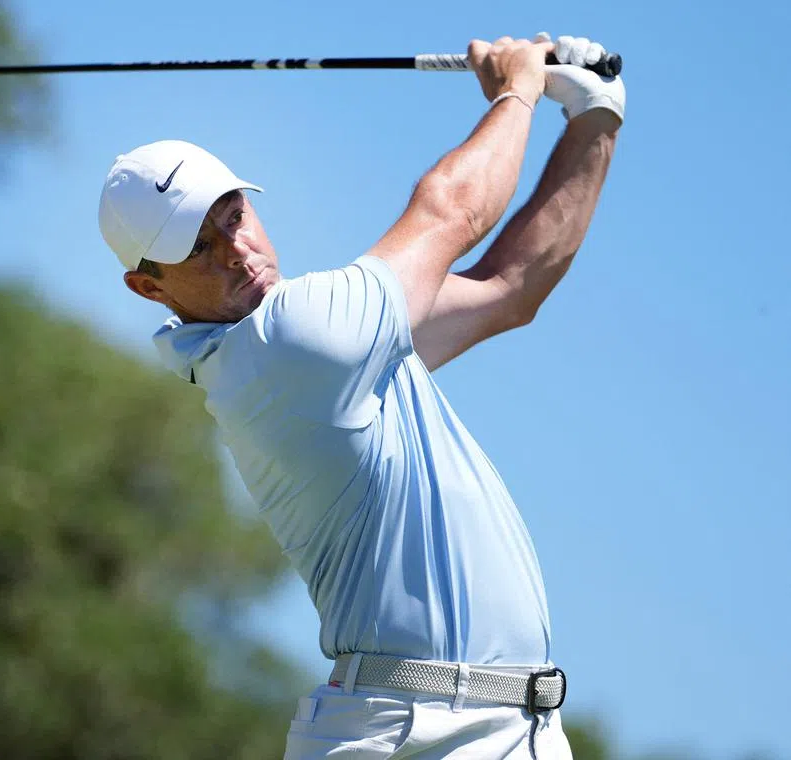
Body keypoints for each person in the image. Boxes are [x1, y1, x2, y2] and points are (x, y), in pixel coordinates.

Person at [97, 32, 624, 760]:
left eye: (233, 216)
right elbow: (451, 213)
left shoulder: (329, 349)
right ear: (148, 287)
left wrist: (595, 116)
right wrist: (517, 90)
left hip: (506, 729)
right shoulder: (289, 343)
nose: (236, 251)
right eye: (197, 245)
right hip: (409, 733)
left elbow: (512, 287)